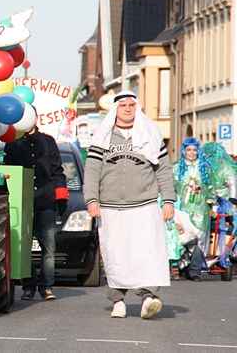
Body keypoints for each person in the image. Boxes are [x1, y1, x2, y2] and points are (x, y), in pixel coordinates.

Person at [84, 91, 175, 319]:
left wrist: (168, 200)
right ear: (115, 109)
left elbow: (163, 170)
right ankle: (118, 300)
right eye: (122, 105)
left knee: (147, 252)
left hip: (144, 204)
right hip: (111, 206)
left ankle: (148, 298)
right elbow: (92, 171)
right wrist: (92, 200)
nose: (127, 108)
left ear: (138, 107)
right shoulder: (103, 136)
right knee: (115, 254)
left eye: (131, 105)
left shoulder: (149, 134)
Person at [4, 105, 68, 301]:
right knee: (23, 246)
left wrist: (61, 198)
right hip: (22, 201)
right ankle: (28, 286)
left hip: (45, 200)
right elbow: (8, 170)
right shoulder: (12, 143)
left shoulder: (48, 141)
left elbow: (58, 170)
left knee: (48, 246)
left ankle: (47, 286)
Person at [166, 138, 212, 280]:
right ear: (184, 151)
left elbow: (212, 188)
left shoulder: (205, 168)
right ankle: (181, 265)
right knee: (182, 238)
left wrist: (210, 199)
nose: (191, 153)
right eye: (188, 150)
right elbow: (169, 187)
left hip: (201, 210)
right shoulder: (176, 168)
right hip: (182, 209)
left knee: (199, 238)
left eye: (194, 150)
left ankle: (195, 271)